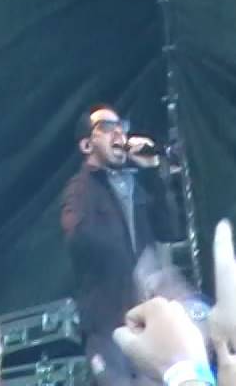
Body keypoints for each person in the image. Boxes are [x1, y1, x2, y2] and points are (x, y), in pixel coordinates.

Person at [60, 104, 177, 386]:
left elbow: (169, 229)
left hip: (146, 320)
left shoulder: (136, 183)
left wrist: (151, 170)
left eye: (121, 126)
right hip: (108, 324)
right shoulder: (80, 188)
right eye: (106, 127)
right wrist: (130, 266)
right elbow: (77, 237)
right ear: (87, 145)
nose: (119, 133)